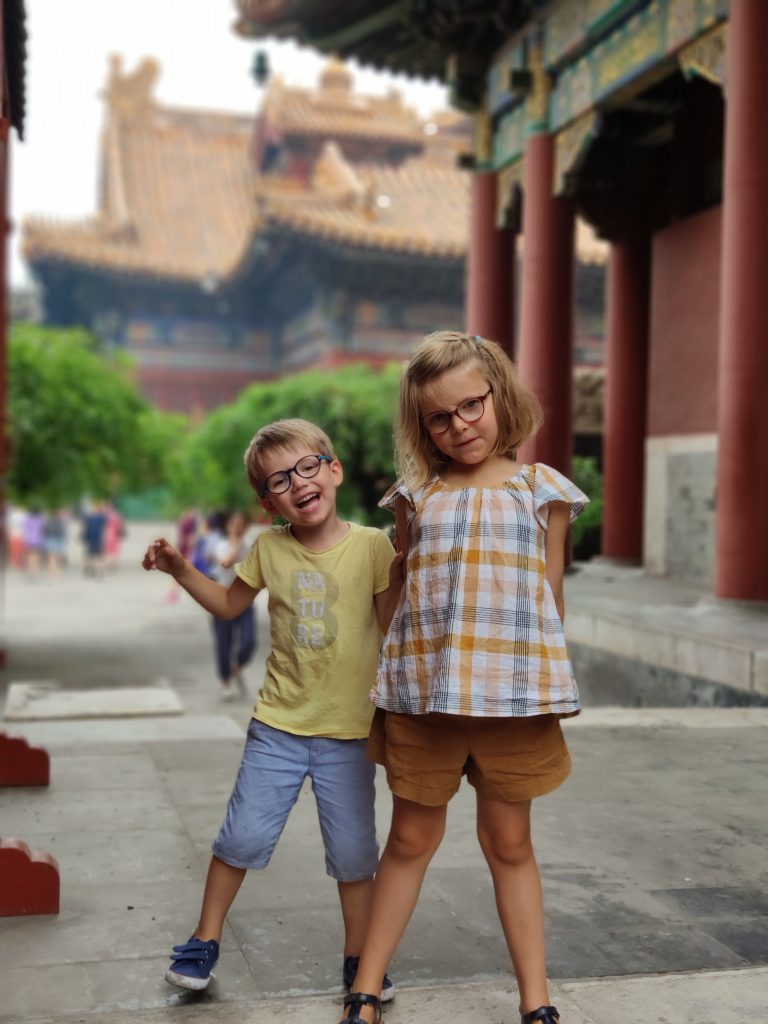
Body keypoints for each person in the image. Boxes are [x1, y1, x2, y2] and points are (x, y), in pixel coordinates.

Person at [340, 332, 588, 1024]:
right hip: (426, 701)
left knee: (510, 845)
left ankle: (536, 1000)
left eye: (471, 405)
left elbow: (550, 598)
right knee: (408, 841)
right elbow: (399, 603)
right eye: (439, 418)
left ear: (499, 394)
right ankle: (366, 988)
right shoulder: (415, 496)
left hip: (513, 701)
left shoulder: (542, 491)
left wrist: (550, 687)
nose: (459, 425)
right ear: (422, 427)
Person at [142, 418, 402, 997]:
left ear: (333, 470)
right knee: (239, 838)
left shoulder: (372, 547)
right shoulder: (269, 548)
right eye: (279, 480)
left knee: (355, 854)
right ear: (267, 503)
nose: (298, 483)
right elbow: (229, 606)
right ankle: (204, 939)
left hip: (350, 733)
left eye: (308, 467)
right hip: (278, 727)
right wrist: (181, 568)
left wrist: (407, 569)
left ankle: (359, 958)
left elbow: (391, 626)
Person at [208, 508, 257, 701]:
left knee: (249, 642)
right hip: (222, 600)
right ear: (227, 526)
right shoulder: (220, 545)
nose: (238, 528)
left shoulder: (251, 545)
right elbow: (226, 562)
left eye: (241, 525)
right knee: (223, 643)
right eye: (235, 524)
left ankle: (237, 666)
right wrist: (238, 543)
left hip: (244, 601)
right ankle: (226, 681)